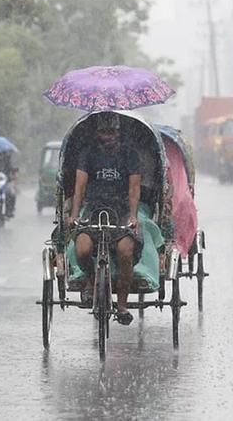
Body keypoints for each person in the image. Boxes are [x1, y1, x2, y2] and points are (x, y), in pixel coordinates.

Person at [66, 111, 142, 326]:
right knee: (82, 249)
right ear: (98, 133)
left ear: (118, 132)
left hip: (121, 210)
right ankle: (92, 281)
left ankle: (122, 305)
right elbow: (80, 187)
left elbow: (134, 188)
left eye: (113, 132)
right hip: (93, 209)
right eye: (105, 132)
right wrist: (74, 215)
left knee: (125, 251)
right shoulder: (88, 154)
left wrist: (133, 215)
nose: (109, 136)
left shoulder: (130, 154)